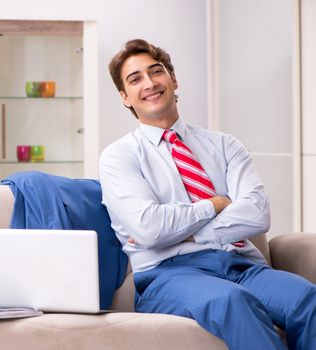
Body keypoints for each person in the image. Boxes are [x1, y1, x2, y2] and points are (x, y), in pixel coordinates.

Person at [99, 39, 316, 349]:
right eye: (135, 79)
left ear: (173, 80)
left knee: (308, 299)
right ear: (125, 97)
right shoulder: (119, 157)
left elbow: (257, 213)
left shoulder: (225, 145)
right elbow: (149, 228)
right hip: (170, 276)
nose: (149, 83)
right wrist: (213, 205)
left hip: (243, 265)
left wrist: (189, 234)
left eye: (155, 72)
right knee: (232, 303)